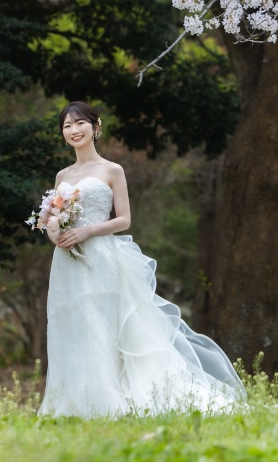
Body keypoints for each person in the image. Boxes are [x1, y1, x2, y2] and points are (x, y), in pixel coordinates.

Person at [39, 101, 245, 417]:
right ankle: (73, 402)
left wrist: (86, 231)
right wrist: (55, 232)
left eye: (80, 123)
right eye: (67, 125)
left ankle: (108, 400)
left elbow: (124, 220)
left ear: (96, 127)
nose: (73, 130)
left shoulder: (111, 170)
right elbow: (53, 217)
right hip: (66, 261)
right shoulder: (62, 175)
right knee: (71, 324)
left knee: (102, 325)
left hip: (100, 257)